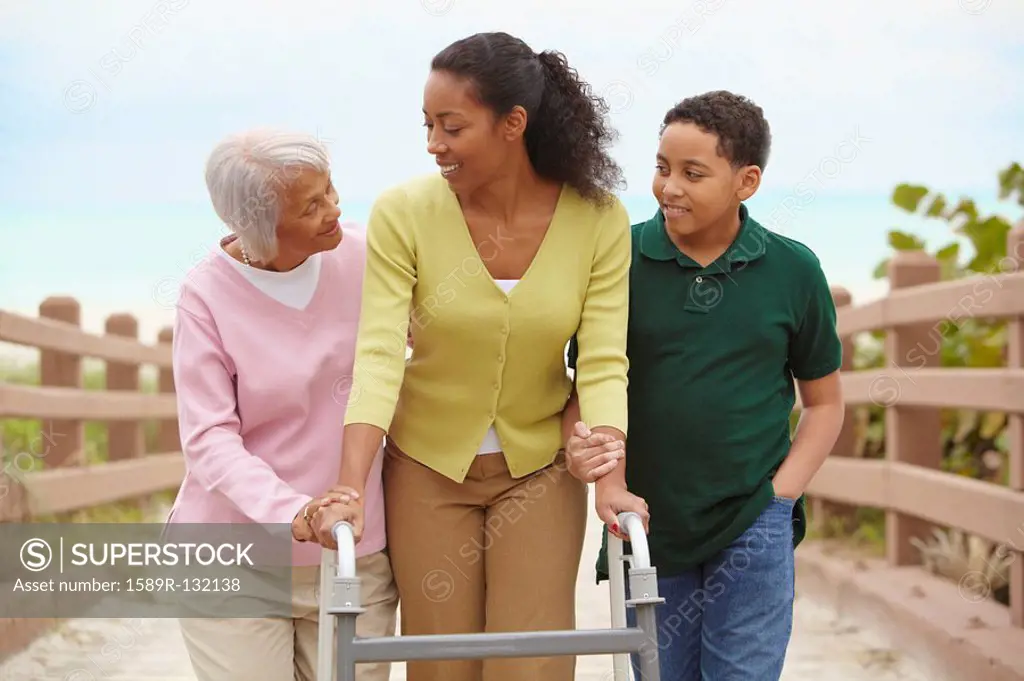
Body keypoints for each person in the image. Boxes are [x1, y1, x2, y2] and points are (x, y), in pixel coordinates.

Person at [324, 31, 647, 681]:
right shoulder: (404, 213)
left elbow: (604, 359)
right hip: (426, 467)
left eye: (451, 126)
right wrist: (350, 485)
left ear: (513, 124)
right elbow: (381, 352)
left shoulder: (598, 217)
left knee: (532, 661)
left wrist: (607, 470)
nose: (433, 143)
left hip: (539, 470)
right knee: (441, 663)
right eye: (427, 125)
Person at [566, 91, 846, 680]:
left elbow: (824, 404)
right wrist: (593, 464)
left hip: (754, 522)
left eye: (694, 174)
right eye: (663, 167)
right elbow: (583, 386)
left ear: (746, 181)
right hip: (644, 521)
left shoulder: (793, 270)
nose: (670, 187)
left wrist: (780, 498)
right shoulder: (618, 258)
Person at [166, 129, 398, 681]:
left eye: (331, 189)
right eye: (311, 204)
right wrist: (293, 511)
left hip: (350, 548)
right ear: (256, 224)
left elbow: (422, 346)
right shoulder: (204, 296)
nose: (334, 209)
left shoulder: (365, 257)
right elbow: (208, 439)